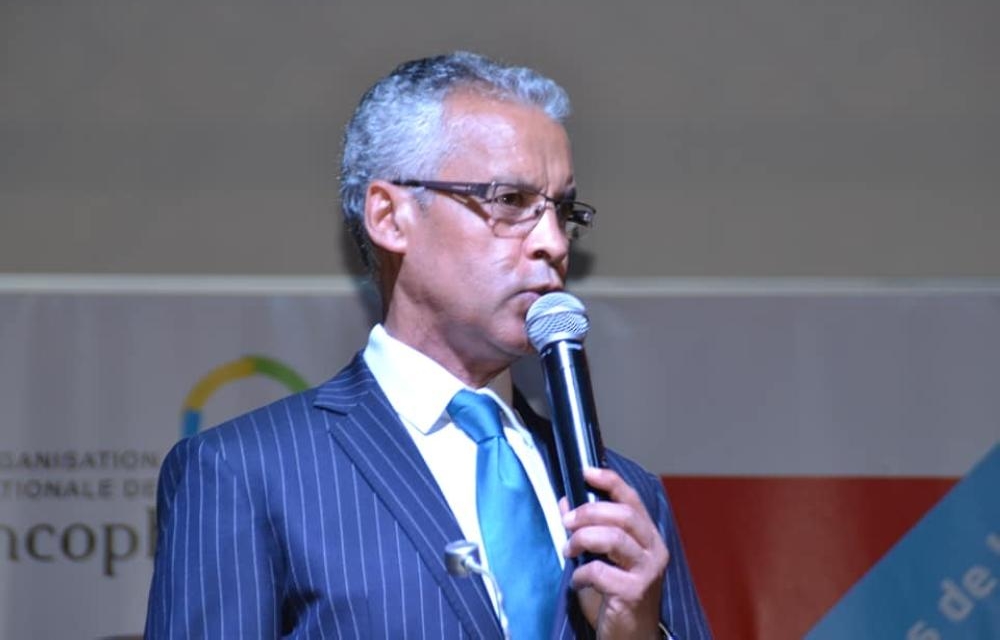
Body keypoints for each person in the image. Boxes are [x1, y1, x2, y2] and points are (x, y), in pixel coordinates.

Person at [145, 52, 711, 639]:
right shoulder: (245, 472)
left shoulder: (622, 495)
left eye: (563, 211)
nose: (552, 242)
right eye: (510, 201)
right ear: (390, 217)